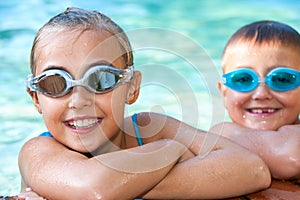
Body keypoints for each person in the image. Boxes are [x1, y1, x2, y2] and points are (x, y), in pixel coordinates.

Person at [18, 7, 271, 199]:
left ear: (132, 87)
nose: (79, 100)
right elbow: (94, 189)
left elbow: (253, 169)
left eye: (101, 79)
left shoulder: (151, 126)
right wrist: (170, 150)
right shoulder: (38, 152)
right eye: (55, 83)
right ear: (36, 98)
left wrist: (129, 186)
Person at [210, 20, 300, 180]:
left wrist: (227, 137)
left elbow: (292, 158)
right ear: (224, 93)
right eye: (243, 79)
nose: (261, 94)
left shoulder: (222, 135)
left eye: (282, 79)